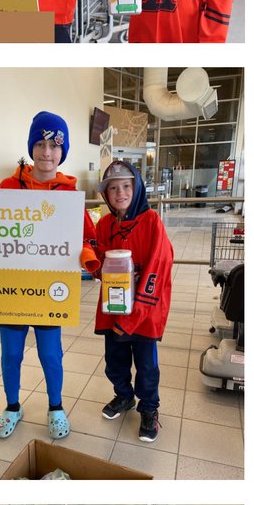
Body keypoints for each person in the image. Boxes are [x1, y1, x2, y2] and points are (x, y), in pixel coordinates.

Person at [0, 111, 101, 441]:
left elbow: (87, 237)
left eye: (54, 145)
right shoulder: (9, 186)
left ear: (63, 151)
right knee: (11, 354)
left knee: (51, 354)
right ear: (31, 147)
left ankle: (56, 407)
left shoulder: (68, 194)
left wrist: (90, 257)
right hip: (11, 289)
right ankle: (12, 405)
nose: (47, 152)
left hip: (50, 289)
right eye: (40, 143)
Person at [93, 161, 173, 443]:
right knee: (114, 361)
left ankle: (149, 409)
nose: (120, 193)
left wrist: (135, 313)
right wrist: (89, 260)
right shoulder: (104, 225)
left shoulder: (152, 222)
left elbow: (158, 266)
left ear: (137, 187)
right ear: (106, 194)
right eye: (113, 188)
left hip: (144, 312)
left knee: (146, 365)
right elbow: (97, 261)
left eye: (126, 186)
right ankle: (123, 396)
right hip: (113, 308)